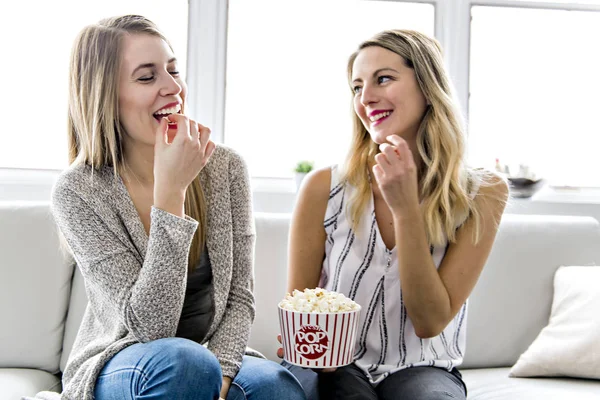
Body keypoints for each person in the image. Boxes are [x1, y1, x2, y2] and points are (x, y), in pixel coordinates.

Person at [46, 15, 306, 400]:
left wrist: (223, 376)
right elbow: (150, 329)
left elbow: (238, 298)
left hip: (209, 356)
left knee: (275, 387)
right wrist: (171, 193)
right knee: (184, 365)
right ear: (104, 95)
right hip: (126, 361)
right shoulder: (78, 191)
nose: (173, 88)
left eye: (173, 71)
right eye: (147, 77)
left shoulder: (224, 167)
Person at [280, 29, 509, 400]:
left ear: (427, 85)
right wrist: (308, 346)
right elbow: (300, 308)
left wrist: (406, 211)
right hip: (337, 364)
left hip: (424, 367)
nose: (366, 98)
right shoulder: (323, 187)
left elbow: (430, 322)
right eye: (357, 87)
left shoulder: (483, 193)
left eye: (383, 79)